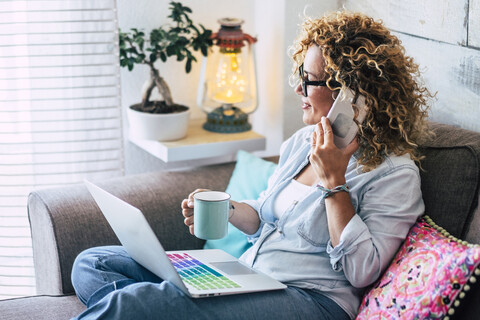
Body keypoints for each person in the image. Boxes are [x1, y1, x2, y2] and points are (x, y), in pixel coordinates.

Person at [70, 11, 432, 319]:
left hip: (312, 301)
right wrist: (228, 209)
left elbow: (363, 271)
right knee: (94, 263)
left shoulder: (393, 172)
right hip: (250, 277)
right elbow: (265, 216)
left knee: (134, 303)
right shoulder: (301, 144)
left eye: (309, 80)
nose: (298, 91)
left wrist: (334, 182)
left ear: (349, 92)